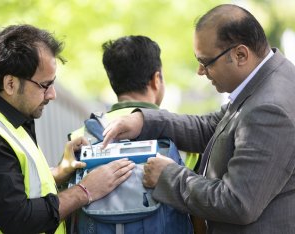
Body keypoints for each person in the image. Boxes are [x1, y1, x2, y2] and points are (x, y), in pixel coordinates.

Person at [101, 4, 295, 233]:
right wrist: (144, 121)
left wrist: (168, 176)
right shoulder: (267, 81)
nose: (200, 71)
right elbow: (212, 128)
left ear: (240, 54)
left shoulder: (269, 108)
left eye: (206, 62)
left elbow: (237, 203)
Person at [0, 24, 135, 234]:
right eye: (45, 85)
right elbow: (19, 219)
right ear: (11, 84)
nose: (52, 95)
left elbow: (13, 185)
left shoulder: (11, 121)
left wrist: (59, 172)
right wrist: (85, 190)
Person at [69, 35, 193, 233]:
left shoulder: (79, 138)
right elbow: (197, 206)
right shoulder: (184, 137)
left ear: (112, 82)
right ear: (156, 79)